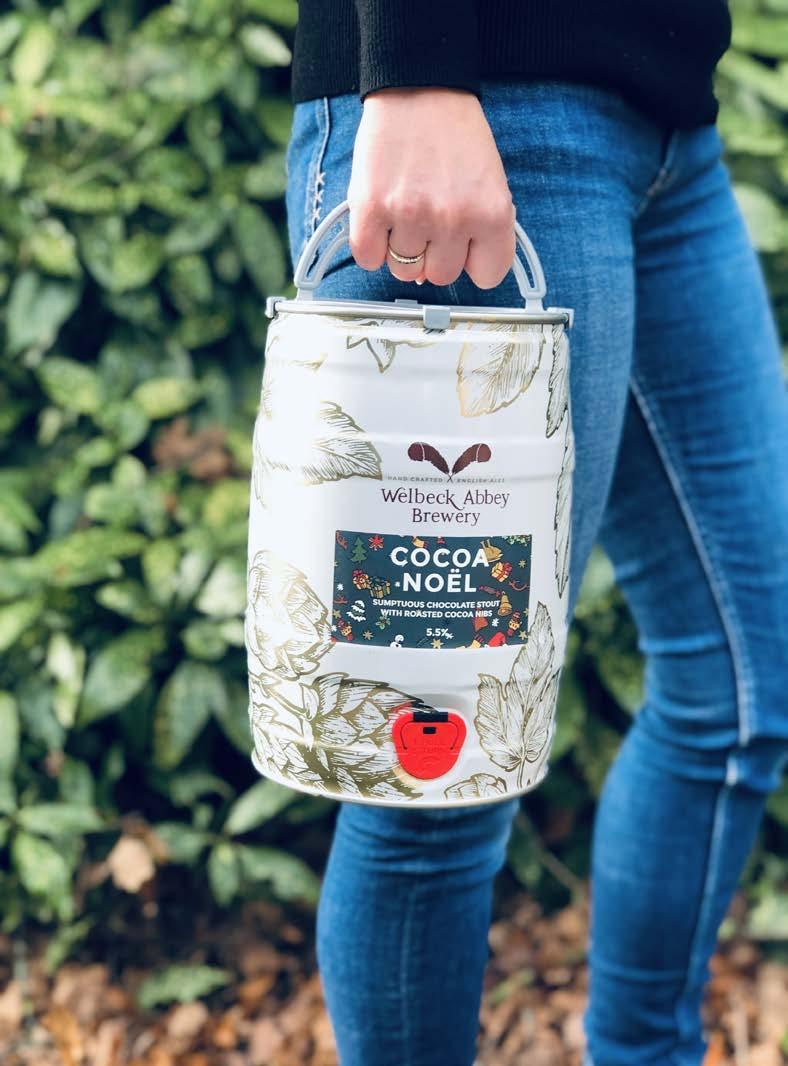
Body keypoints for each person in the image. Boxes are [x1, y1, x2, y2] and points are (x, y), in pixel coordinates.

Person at [281, 3, 788, 1064]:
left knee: (741, 687)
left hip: (666, 122)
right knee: (432, 769)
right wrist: (412, 68)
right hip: (476, 106)